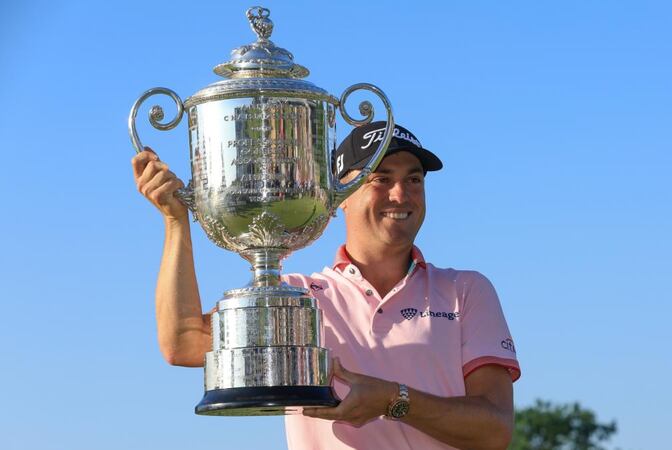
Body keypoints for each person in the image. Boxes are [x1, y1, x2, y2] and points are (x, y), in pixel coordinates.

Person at [131, 121, 521, 450]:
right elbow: (181, 342)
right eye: (380, 179)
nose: (401, 194)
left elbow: (495, 429)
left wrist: (392, 400)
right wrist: (175, 222)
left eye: (413, 180)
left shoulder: (465, 290)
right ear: (339, 197)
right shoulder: (294, 296)